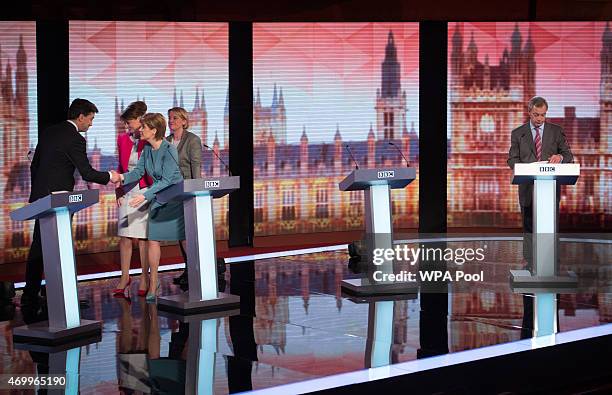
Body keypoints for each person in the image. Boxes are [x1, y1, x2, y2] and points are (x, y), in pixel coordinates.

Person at [23, 98, 113, 306]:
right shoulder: (75, 139)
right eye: (90, 119)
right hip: (60, 201)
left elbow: (34, 165)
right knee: (61, 245)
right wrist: (111, 176)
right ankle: (63, 296)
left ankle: (31, 294)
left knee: (39, 244)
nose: (90, 124)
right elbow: (87, 173)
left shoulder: (49, 132)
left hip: (42, 198)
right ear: (80, 117)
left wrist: (37, 194)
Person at [113, 113, 185, 302]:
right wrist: (120, 178)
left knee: (182, 239)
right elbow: (137, 172)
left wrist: (145, 195)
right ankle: (153, 283)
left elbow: (168, 180)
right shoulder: (146, 150)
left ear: (154, 130)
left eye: (144, 127)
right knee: (153, 240)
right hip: (158, 196)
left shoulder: (169, 150)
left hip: (174, 198)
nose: (140, 129)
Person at [507, 96, 574, 234]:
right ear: (529, 112)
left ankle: (551, 256)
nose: (540, 119)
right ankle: (528, 256)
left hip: (550, 189)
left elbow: (568, 155)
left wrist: (560, 157)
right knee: (528, 228)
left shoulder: (556, 131)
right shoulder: (518, 133)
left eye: (543, 115)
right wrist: (524, 168)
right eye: (536, 115)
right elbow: (512, 159)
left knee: (550, 229)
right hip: (527, 189)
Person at [113, 101, 153, 298]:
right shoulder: (122, 139)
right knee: (125, 236)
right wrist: (118, 189)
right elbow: (121, 168)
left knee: (144, 238)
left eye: (129, 123)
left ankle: (145, 278)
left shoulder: (150, 138)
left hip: (145, 191)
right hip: (127, 190)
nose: (127, 127)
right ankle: (125, 277)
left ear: (140, 120)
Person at [166, 107, 203, 287]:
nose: (170, 121)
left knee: (188, 234)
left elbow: (196, 168)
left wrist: (197, 192)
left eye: (174, 118)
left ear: (183, 121)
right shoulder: (166, 141)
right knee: (181, 234)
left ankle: (194, 270)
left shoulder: (192, 140)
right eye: (169, 118)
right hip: (172, 194)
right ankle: (189, 268)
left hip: (188, 192)